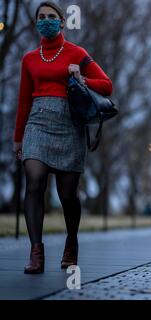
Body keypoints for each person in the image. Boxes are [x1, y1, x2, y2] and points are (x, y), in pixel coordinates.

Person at [12, 2, 113, 274]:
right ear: (36, 24)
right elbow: (23, 101)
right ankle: (36, 252)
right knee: (34, 181)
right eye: (41, 18)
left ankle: (71, 243)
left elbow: (107, 85)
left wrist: (82, 78)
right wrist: (18, 138)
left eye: (51, 17)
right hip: (37, 123)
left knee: (67, 194)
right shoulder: (29, 59)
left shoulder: (77, 53)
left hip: (69, 124)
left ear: (62, 22)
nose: (46, 21)